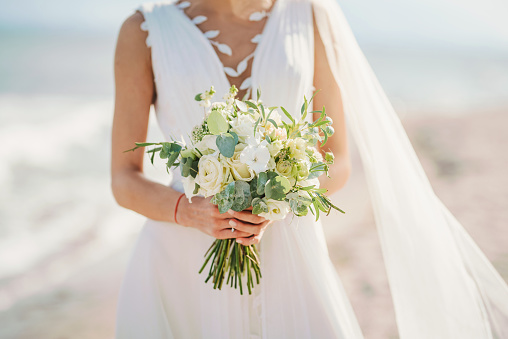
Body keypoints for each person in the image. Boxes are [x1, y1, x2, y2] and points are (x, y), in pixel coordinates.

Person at [111, 0, 508, 338]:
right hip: (180, 264)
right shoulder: (144, 31)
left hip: (292, 250)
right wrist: (190, 211)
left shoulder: (310, 15)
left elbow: (337, 158)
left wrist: (281, 198)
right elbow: (123, 179)